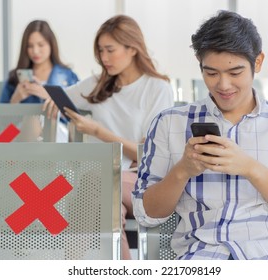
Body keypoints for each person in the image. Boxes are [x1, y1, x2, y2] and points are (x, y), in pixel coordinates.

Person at [132, 10, 268, 260]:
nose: (223, 85)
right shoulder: (170, 123)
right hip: (202, 257)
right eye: (211, 73)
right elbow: (146, 214)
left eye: (235, 73)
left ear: (257, 62)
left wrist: (250, 169)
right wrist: (183, 170)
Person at [44, 15, 174, 259]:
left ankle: (72, 260)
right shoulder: (98, 84)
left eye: (110, 50)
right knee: (108, 201)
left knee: (98, 181)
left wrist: (97, 132)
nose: (104, 58)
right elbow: (59, 97)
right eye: (100, 51)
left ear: (132, 49)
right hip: (103, 180)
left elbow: (150, 155)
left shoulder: (157, 89)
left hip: (145, 180)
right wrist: (51, 99)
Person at [0, 20, 79, 141]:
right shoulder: (14, 78)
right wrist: (15, 100)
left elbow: (79, 117)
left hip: (57, 131)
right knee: (32, 121)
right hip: (21, 134)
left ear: (51, 44)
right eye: (30, 46)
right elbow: (0, 121)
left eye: (41, 45)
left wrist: (51, 96)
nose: (35, 51)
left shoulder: (68, 77)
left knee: (37, 122)